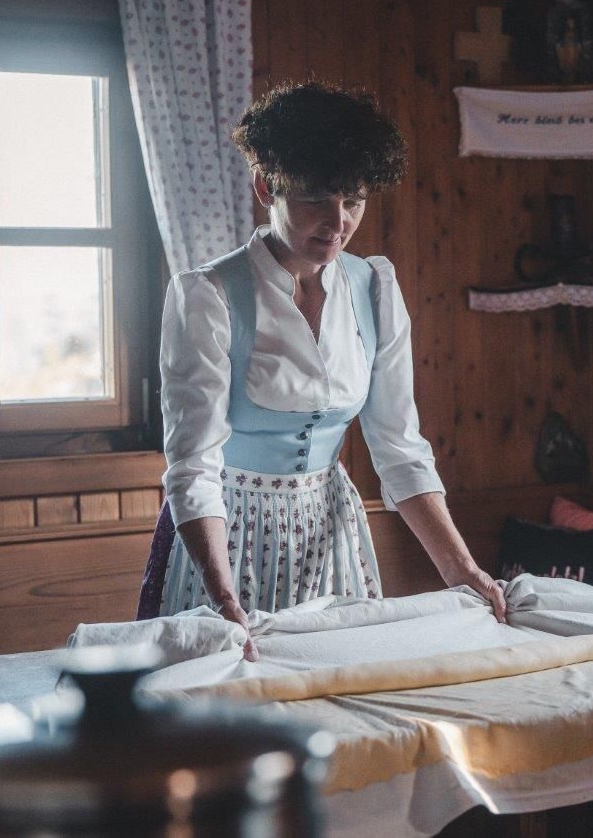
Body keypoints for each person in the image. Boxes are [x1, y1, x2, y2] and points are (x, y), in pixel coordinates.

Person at [136, 82, 507, 659]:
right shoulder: (209, 295)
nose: (338, 222)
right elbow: (193, 465)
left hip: (331, 533)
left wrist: (463, 570)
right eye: (315, 199)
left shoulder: (374, 287)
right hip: (227, 537)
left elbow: (400, 450)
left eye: (353, 200)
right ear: (267, 186)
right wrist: (223, 595)